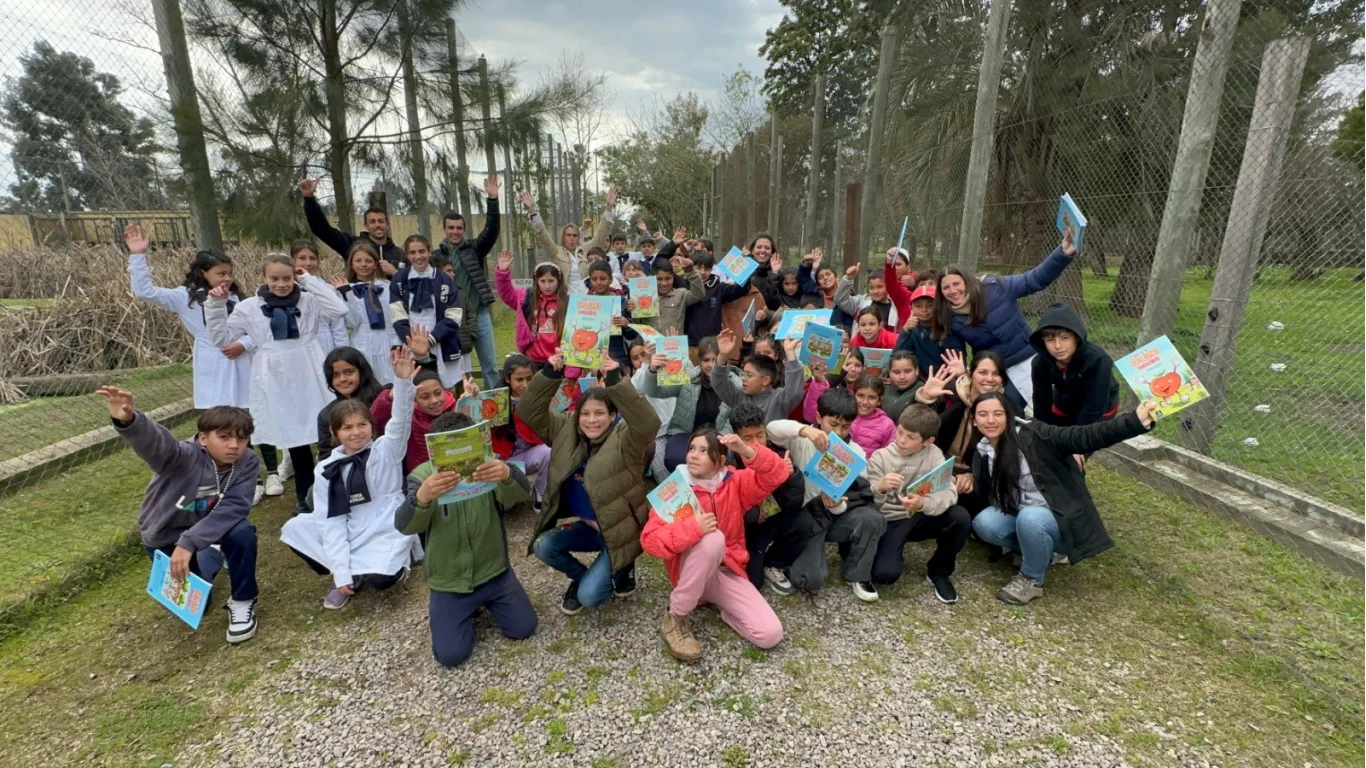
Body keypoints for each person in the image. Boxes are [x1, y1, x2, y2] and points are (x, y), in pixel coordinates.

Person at [99, 385, 261, 643]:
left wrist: (189, 542)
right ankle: (210, 554)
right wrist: (129, 420)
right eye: (224, 437)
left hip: (203, 529)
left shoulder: (248, 461)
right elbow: (157, 444)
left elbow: (235, 507)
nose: (234, 445)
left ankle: (242, 601)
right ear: (203, 438)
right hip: (165, 534)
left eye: (241, 439)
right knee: (195, 606)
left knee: (242, 532)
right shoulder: (182, 456)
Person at [968, 392, 1158, 605]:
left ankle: (1032, 579)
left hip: (1058, 519)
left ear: (1009, 416)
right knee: (984, 523)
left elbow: (1084, 435)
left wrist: (1134, 421)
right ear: (975, 421)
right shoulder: (983, 451)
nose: (991, 420)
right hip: (1021, 512)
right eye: (983, 415)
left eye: (998, 413)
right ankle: (1040, 552)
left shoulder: (1035, 436)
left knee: (1030, 519)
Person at [122, 225, 262, 497]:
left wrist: (243, 344)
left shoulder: (239, 299)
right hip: (212, 363)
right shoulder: (184, 298)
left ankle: (252, 478)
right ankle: (217, 478)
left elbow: (258, 330)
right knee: (217, 422)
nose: (227, 278)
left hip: (242, 362)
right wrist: (138, 257)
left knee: (246, 419)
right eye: (220, 273)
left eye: (229, 273)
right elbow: (145, 292)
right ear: (203, 273)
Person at [205, 254, 349, 514]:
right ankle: (305, 496)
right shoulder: (249, 307)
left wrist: (310, 280)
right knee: (293, 436)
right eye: (274, 278)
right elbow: (221, 337)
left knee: (327, 427)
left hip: (309, 368)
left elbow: (340, 309)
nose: (281, 284)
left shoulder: (308, 300)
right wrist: (216, 305)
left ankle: (337, 486)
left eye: (287, 278)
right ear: (264, 278)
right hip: (274, 375)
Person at [518, 355, 661, 615]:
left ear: (613, 415)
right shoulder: (565, 429)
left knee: (590, 597)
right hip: (589, 527)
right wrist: (551, 372)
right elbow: (528, 412)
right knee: (543, 545)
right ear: (576, 415)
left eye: (599, 413)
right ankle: (584, 576)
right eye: (585, 413)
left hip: (620, 531)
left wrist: (616, 380)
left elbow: (648, 423)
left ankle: (623, 564)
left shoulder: (626, 439)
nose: (591, 420)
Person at [281, 350, 420, 609]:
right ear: (335, 432)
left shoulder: (386, 450)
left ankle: (387, 564)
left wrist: (402, 382)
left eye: (362, 425)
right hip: (349, 526)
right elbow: (331, 520)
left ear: (371, 425)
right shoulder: (327, 468)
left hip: (384, 523)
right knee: (295, 529)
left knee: (381, 580)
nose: (356, 432)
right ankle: (348, 574)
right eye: (347, 427)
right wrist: (340, 569)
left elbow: (401, 420)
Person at [397, 412, 536, 667]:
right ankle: (462, 612)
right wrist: (423, 497)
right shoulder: (422, 476)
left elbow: (521, 494)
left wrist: (507, 474)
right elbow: (405, 526)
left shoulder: (489, 463)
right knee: (451, 655)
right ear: (434, 450)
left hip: (494, 572)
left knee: (523, 628)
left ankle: (484, 603)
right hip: (449, 581)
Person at [640, 430, 790, 662]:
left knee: (770, 634)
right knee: (713, 538)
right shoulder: (673, 491)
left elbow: (778, 472)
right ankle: (676, 616)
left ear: (720, 461)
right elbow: (650, 542)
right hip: (688, 570)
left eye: (703, 451)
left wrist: (746, 450)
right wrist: (693, 529)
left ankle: (724, 607)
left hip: (726, 570)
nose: (694, 456)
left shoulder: (735, 482)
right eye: (691, 449)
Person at [767, 387, 887, 603]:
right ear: (819, 417)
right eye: (833, 424)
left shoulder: (856, 454)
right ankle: (785, 557)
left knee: (872, 519)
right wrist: (804, 431)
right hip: (803, 520)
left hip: (833, 516)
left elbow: (855, 496)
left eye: (845, 426)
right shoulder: (801, 439)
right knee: (809, 579)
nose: (839, 432)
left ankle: (857, 574)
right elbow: (771, 429)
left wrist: (835, 506)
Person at [932, 229, 1077, 405]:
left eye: (956, 284)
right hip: (995, 371)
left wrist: (1062, 253)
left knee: (1053, 405)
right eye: (946, 288)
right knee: (1003, 411)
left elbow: (1035, 279)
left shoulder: (996, 287)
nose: (953, 291)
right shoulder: (948, 317)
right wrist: (963, 372)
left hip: (1029, 358)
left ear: (967, 282)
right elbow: (955, 357)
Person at [866, 405, 971, 603]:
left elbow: (949, 492)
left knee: (960, 517)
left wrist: (923, 503)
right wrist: (880, 488)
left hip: (921, 516)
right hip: (891, 520)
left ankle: (939, 573)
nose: (902, 440)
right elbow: (869, 501)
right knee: (885, 575)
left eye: (911, 437)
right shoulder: (881, 457)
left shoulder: (934, 454)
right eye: (900, 432)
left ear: (928, 441)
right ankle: (887, 554)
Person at [728, 404, 810, 596]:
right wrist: (751, 513)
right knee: (752, 583)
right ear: (736, 437)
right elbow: (725, 504)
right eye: (748, 438)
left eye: (760, 435)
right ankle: (755, 556)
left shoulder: (779, 456)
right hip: (747, 527)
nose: (756, 442)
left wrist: (792, 477)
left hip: (775, 518)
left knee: (804, 522)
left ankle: (774, 563)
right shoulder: (730, 462)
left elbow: (793, 504)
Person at [437, 176, 503, 389]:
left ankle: (496, 405)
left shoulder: (474, 249)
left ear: (463, 230)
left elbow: (491, 231)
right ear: (445, 230)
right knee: (456, 367)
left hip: (479, 313)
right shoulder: (436, 256)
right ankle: (458, 405)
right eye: (451, 228)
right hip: (453, 319)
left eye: (459, 228)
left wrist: (492, 200)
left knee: (490, 365)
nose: (455, 232)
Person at [1029, 303, 1121, 442]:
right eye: (1050, 340)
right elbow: (1041, 403)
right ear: (1043, 342)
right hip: (1064, 405)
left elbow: (1094, 408)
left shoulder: (1097, 360)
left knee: (1076, 456)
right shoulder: (1040, 363)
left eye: (1065, 338)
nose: (1058, 346)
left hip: (1100, 409)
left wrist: (1077, 444)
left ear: (1076, 337)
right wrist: (1041, 435)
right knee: (1047, 448)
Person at [390, 234, 465, 388]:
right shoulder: (399, 280)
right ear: (407, 254)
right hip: (411, 343)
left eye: (422, 251)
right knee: (414, 387)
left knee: (443, 387)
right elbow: (397, 315)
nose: (418, 256)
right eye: (413, 253)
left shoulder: (444, 279)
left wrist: (430, 340)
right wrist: (413, 342)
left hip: (439, 341)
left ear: (429, 252)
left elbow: (454, 315)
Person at [520, 185, 618, 293]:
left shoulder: (586, 250)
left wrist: (609, 207)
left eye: (575, 235)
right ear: (563, 237)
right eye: (568, 235)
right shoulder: (557, 252)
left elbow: (602, 234)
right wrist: (532, 211)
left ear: (578, 237)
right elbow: (543, 235)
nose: (571, 238)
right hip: (566, 299)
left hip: (588, 298)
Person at [371, 355, 456, 474]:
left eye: (438, 393)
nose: (434, 400)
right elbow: (375, 419)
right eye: (425, 397)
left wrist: (472, 400)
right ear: (414, 400)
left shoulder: (456, 407)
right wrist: (396, 392)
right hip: (420, 478)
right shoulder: (408, 417)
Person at [299, 177, 404, 272]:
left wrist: (395, 273)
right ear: (366, 226)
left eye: (381, 221)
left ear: (388, 225)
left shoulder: (400, 254)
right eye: (372, 222)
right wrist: (309, 199)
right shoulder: (351, 244)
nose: (377, 225)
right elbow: (322, 229)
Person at [711, 329, 805, 433]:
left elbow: (795, 393)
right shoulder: (738, 396)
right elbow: (718, 382)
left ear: (765, 380)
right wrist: (723, 355)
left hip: (772, 448)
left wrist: (790, 354)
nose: (743, 378)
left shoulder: (779, 399)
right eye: (743, 374)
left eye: (749, 375)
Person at [316, 345, 389, 459]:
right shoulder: (326, 415)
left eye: (349, 372)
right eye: (336, 375)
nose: (342, 379)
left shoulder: (384, 398)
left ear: (362, 372)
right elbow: (326, 455)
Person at [339, 241, 395, 385]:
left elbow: (394, 317)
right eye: (358, 260)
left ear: (376, 264)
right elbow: (352, 322)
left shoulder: (388, 287)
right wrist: (347, 294)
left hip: (387, 341)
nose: (363, 265)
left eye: (368, 260)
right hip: (362, 342)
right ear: (351, 264)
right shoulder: (346, 289)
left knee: (390, 381)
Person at [500, 354, 551, 511]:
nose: (525, 385)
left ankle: (541, 491)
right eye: (519, 380)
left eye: (530, 379)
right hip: (503, 459)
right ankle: (510, 492)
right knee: (508, 506)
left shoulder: (538, 398)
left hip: (529, 454)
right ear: (508, 379)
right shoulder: (496, 401)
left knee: (548, 452)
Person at [495, 253, 565, 367]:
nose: (547, 286)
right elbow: (507, 294)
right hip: (533, 358)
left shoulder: (567, 302)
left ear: (559, 280)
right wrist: (503, 272)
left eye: (551, 281)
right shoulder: (526, 297)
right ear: (536, 281)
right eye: (542, 281)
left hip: (558, 360)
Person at [685, 249, 755, 351]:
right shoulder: (683, 286)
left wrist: (746, 263)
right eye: (698, 268)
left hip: (712, 345)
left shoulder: (719, 288)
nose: (703, 272)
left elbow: (741, 289)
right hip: (689, 345)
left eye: (708, 269)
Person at [290, 239, 349, 355]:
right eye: (302, 258)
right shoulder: (286, 289)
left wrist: (341, 354)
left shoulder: (328, 289)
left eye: (312, 258)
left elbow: (338, 327)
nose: (308, 263)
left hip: (324, 344)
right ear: (292, 261)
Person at [642, 255, 705, 335]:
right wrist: (631, 308)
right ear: (651, 278)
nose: (664, 283)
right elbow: (637, 323)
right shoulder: (644, 297)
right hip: (651, 345)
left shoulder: (681, 294)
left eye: (668, 278)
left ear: (673, 277)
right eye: (659, 279)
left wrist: (690, 271)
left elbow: (699, 294)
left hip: (674, 345)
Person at [895, 284, 944, 379]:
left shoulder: (944, 328)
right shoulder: (910, 330)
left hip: (942, 377)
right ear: (911, 308)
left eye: (930, 305)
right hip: (917, 380)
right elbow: (898, 356)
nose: (924, 310)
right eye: (918, 306)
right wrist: (905, 330)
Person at [836, 264, 899, 330]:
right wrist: (848, 279)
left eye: (879, 287)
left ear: (889, 286)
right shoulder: (860, 302)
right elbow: (840, 300)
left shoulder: (896, 308)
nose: (875, 291)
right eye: (871, 288)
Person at [882, 350, 923, 423]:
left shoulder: (923, 391)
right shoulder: (884, 389)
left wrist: (927, 397)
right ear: (890, 373)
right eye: (896, 372)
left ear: (916, 370)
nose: (902, 377)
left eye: (907, 371)